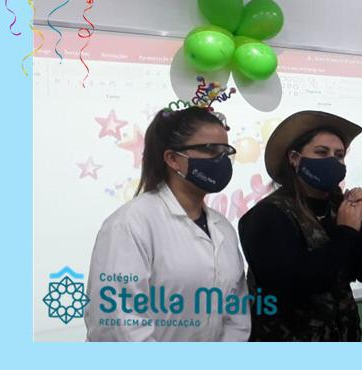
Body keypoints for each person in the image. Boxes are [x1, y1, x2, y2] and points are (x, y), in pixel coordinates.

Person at [85, 107, 250, 341]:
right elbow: (120, 323)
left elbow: (237, 317)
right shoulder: (130, 224)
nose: (220, 160)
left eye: (225, 151)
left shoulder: (223, 228)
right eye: (209, 149)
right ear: (173, 159)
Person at [238, 110, 362, 341]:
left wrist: (361, 220)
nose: (332, 161)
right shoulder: (266, 216)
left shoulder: (342, 208)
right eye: (321, 152)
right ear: (294, 159)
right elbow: (295, 285)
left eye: (339, 155)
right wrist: (346, 232)